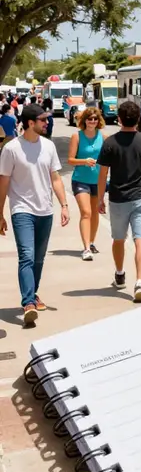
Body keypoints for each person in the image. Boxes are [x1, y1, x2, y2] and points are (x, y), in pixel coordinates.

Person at [0, 104, 70, 325]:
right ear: (30, 123)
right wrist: (0, 213)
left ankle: (33, 292)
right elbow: (4, 182)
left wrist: (64, 205)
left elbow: (56, 178)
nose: (47, 123)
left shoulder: (48, 146)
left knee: (38, 259)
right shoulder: (11, 149)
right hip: (22, 210)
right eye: (42, 120)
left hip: (45, 210)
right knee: (27, 256)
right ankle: (28, 302)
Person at [97, 100, 141, 303]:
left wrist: (100, 198)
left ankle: (119, 273)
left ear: (119, 119)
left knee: (118, 239)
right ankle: (140, 281)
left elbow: (102, 174)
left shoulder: (110, 143)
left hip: (118, 198)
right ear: (139, 119)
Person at [68, 106, 106, 261]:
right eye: (90, 119)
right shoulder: (76, 136)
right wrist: (84, 161)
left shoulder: (103, 136)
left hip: (98, 181)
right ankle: (85, 249)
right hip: (80, 180)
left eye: (95, 119)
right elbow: (70, 160)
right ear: (84, 121)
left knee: (95, 213)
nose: (92, 121)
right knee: (86, 212)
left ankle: (91, 242)